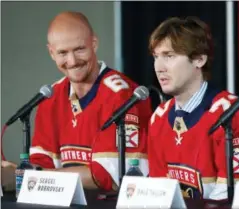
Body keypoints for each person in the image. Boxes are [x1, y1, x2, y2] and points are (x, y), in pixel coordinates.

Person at [1, 11, 152, 191]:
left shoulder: (124, 95)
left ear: (94, 44)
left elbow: (108, 176)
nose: (72, 61)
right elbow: (42, 162)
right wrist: (14, 174)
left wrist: (31, 176)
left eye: (79, 49)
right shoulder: (51, 96)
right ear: (51, 53)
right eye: (62, 52)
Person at [147, 16, 239, 200]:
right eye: (156, 57)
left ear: (199, 60)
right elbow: (157, 195)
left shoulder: (236, 116)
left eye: (169, 56)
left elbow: (229, 199)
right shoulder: (158, 118)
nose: (159, 67)